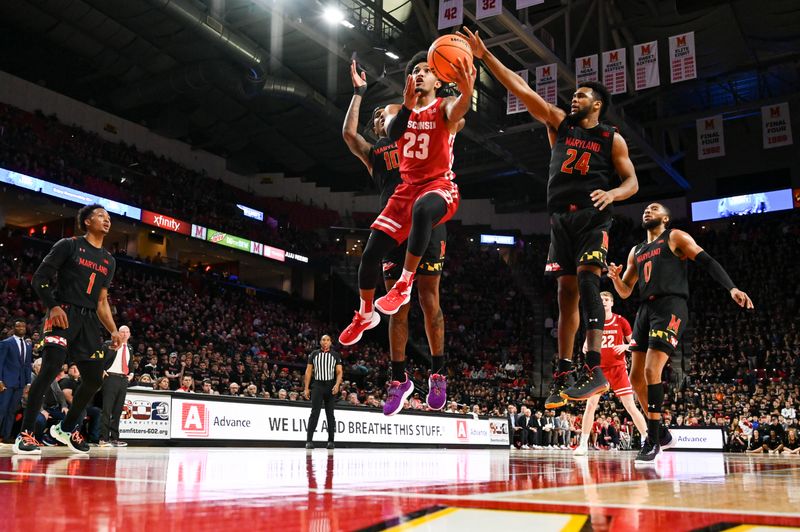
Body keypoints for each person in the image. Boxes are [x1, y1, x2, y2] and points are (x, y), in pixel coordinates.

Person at [458, 27, 639, 409]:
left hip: (592, 218)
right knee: (565, 296)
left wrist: (613, 193)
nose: (574, 99)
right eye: (573, 95)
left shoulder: (612, 139)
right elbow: (523, 92)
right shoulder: (559, 123)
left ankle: (595, 370)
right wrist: (485, 56)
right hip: (559, 220)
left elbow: (632, 183)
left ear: (598, 104)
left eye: (582, 95)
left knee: (590, 284)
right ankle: (563, 372)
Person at [337, 51, 476, 410]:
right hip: (399, 212)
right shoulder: (379, 148)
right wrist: (359, 92)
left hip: (429, 212)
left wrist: (464, 83)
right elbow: (350, 134)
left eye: (425, 70)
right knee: (395, 310)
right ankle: (398, 379)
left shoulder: (438, 113)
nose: (386, 114)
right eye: (381, 114)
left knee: (430, 300)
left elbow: (455, 115)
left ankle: (438, 372)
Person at [607, 202, 753, 463]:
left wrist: (731, 288)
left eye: (654, 209)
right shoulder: (636, 250)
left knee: (652, 370)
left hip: (671, 305)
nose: (647, 212)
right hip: (645, 309)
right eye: (645, 210)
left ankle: (652, 440)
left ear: (665, 217)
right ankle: (662, 434)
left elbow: (706, 260)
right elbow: (626, 291)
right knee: (635, 378)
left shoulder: (674, 237)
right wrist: (616, 278)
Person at [14, 204, 120, 455]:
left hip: (89, 322)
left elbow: (102, 301)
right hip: (62, 313)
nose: (106, 220)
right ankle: (25, 434)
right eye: (100, 216)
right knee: (50, 367)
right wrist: (52, 307)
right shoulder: (69, 245)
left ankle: (65, 429)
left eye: (108, 218)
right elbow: (39, 278)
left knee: (94, 379)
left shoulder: (109, 260)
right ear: (86, 222)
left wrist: (113, 330)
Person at [574, 292, 649, 456]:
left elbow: (636, 343)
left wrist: (625, 347)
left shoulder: (621, 321)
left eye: (607, 300)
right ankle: (583, 445)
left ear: (612, 303)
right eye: (601, 300)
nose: (604, 302)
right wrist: (586, 347)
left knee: (630, 406)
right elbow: (587, 344)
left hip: (618, 369)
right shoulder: (594, 322)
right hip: (599, 369)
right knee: (590, 406)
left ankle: (647, 440)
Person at [303, 335, 342, 450]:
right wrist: (306, 388)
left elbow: (339, 372)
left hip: (330, 386)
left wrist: (337, 384)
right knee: (314, 413)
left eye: (328, 340)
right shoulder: (314, 354)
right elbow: (308, 371)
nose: (325, 342)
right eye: (323, 340)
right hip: (317, 386)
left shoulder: (335, 355)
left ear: (330, 342)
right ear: (320, 342)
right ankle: (309, 440)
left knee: (330, 414)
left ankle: (331, 441)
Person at [99, 325, 133, 448]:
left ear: (129, 334)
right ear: (118, 333)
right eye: (122, 332)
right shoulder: (109, 344)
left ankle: (114, 438)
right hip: (110, 377)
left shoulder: (129, 347)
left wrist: (132, 374)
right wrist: (101, 369)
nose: (124, 334)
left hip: (123, 379)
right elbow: (99, 358)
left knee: (118, 411)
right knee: (107, 410)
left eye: (127, 332)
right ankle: (103, 439)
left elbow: (130, 363)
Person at [0, 319, 32, 443]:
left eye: (23, 326)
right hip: (6, 382)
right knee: (2, 409)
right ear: (14, 328)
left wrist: (28, 383)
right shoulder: (6, 343)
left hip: (20, 383)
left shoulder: (28, 345)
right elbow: (1, 362)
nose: (21, 328)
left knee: (12, 410)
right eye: (18, 327)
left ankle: (6, 436)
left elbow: (28, 365)